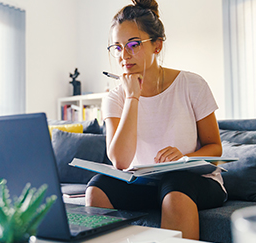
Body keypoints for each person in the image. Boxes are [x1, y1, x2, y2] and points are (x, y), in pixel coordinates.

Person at [85, 0, 226, 240]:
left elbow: (215, 150)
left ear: (157, 46)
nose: (124, 55)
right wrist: (132, 97)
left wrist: (183, 158)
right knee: (97, 186)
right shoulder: (115, 97)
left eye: (133, 44)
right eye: (117, 47)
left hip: (193, 181)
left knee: (175, 184)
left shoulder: (192, 85)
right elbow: (120, 161)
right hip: (145, 184)